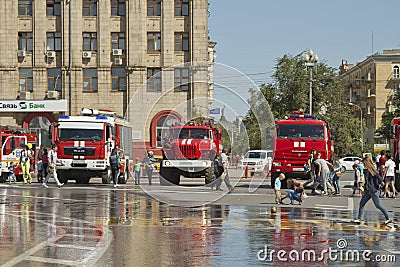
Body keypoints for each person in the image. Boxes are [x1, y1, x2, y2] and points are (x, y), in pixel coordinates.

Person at [354, 156, 392, 225]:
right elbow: (367, 181)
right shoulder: (367, 171)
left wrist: (379, 184)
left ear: (367, 163)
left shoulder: (373, 171)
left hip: (373, 191)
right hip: (368, 191)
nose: (364, 165)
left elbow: (380, 178)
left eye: (364, 163)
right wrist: (365, 188)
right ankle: (359, 218)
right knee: (362, 203)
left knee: (378, 205)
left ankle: (388, 218)